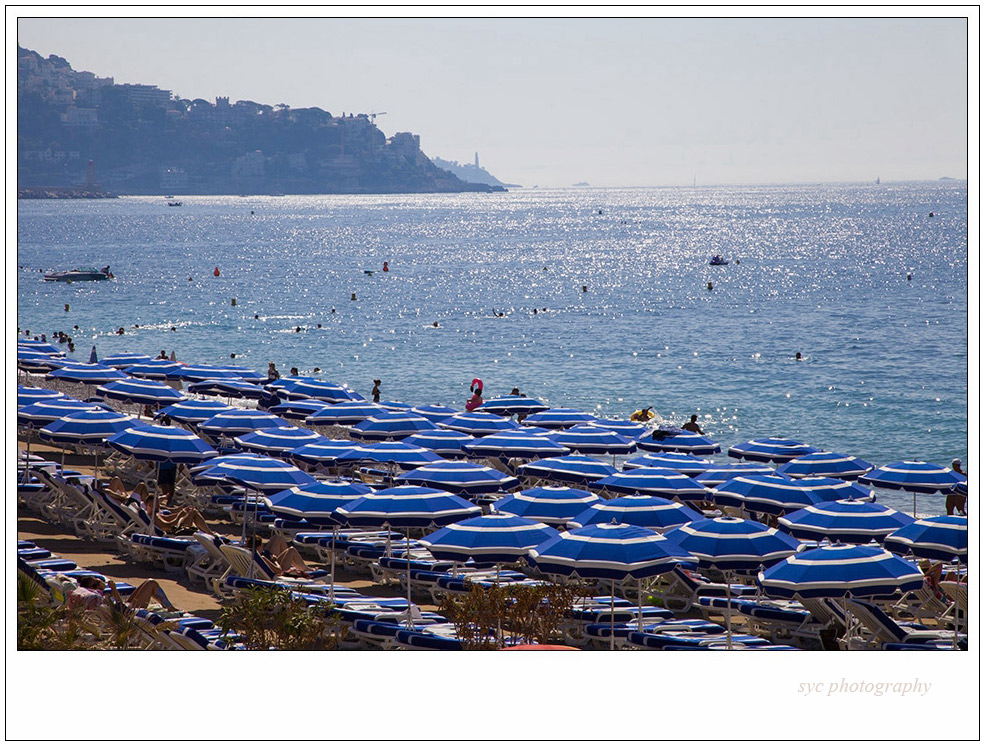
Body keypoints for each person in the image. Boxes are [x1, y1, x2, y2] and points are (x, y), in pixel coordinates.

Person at [250, 535, 318, 578]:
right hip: (279, 572)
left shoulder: (252, 554)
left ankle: (303, 567)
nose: (262, 547)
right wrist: (275, 560)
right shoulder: (263, 558)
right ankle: (305, 568)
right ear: (258, 547)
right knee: (291, 550)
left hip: (270, 566)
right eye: (262, 546)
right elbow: (279, 571)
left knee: (277, 538)